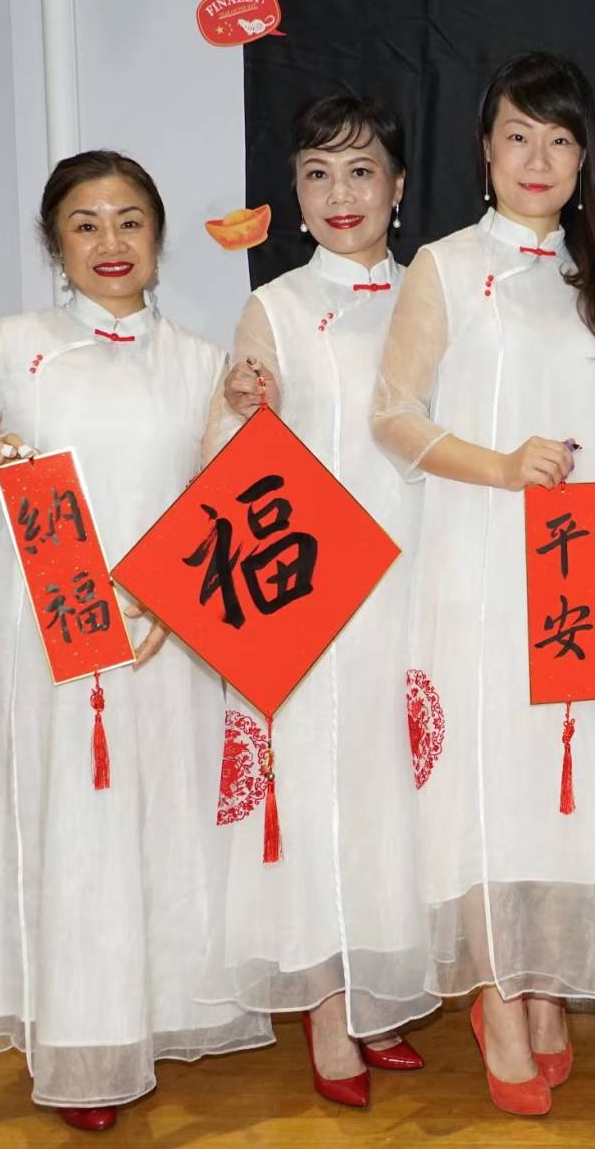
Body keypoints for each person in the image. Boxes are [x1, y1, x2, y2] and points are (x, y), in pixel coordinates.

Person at [0, 151, 271, 1132]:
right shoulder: (12, 342)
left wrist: (173, 600)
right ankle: (81, 1038)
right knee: (69, 822)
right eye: (85, 223)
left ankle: (161, 1009)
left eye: (130, 220)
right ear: (54, 242)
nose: (110, 242)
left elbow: (224, 498)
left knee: (158, 813)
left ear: (158, 238)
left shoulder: (200, 361)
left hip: (160, 627)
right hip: (43, 623)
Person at [370, 51, 595, 1117]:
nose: (539, 159)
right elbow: (393, 414)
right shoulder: (440, 265)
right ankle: (497, 993)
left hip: (577, 564)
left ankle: (542, 966)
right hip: (478, 556)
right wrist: (498, 465)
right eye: (519, 135)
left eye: (561, 139)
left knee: (557, 782)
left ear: (587, 159)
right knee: (480, 783)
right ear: (483, 149)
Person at [203, 95, 436, 1108]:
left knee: (396, 788)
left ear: (397, 185)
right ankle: (330, 1007)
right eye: (318, 173)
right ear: (294, 196)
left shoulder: (438, 292)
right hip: (314, 585)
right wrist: (240, 412)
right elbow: (227, 457)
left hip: (421, 571)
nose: (342, 195)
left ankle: (383, 989)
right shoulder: (279, 307)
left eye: (362, 170)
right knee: (318, 788)